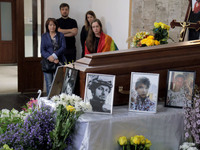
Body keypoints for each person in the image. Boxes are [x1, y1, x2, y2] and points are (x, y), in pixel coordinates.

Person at [41, 18, 66, 95]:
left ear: (56, 26)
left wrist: (55, 56)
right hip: (47, 63)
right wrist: (50, 57)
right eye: (50, 25)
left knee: (58, 85)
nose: (52, 27)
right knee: (49, 84)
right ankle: (49, 103)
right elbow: (42, 50)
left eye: (54, 25)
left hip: (59, 61)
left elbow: (63, 47)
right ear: (47, 26)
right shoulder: (44, 36)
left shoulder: (61, 35)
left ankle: (58, 103)